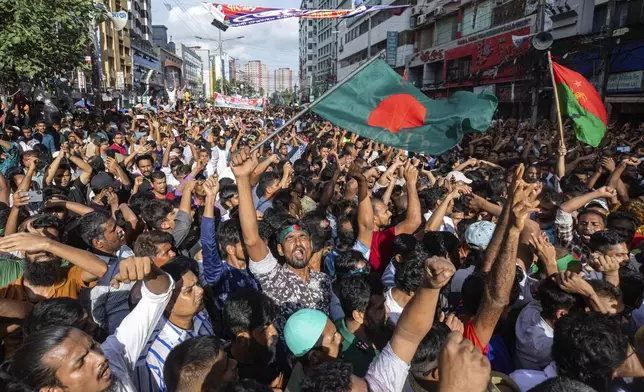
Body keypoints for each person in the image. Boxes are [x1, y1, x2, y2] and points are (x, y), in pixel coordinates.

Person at [0, 256, 173, 392]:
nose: (100, 358)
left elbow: (158, 296)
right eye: (81, 361)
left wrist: (150, 271)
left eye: (94, 346)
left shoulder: (113, 358)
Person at [232, 150, 330, 329]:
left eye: (302, 237)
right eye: (290, 238)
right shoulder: (273, 276)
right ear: (279, 249)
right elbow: (252, 240)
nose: (298, 242)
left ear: (311, 245)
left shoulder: (324, 282)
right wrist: (242, 179)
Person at [134, 255, 212, 392]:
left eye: (198, 284)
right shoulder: (152, 359)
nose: (200, 291)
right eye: (189, 290)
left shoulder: (201, 316)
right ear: (168, 304)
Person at [222, 288, 282, 388]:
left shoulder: (273, 345)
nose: (274, 332)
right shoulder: (226, 376)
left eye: (273, 323)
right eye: (263, 330)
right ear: (242, 339)